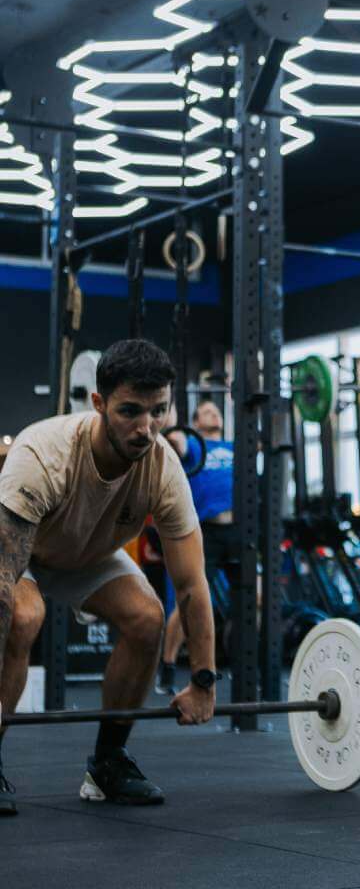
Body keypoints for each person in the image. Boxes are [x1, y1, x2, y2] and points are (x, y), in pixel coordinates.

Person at [0, 339, 217, 815]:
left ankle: (108, 763)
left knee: (147, 618)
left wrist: (203, 680)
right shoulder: (44, 453)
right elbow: (3, 577)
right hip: (21, 551)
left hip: (87, 552)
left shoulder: (163, 467)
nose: (146, 428)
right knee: (22, 616)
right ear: (98, 403)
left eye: (158, 411)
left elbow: (191, 584)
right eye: (130, 411)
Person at [158, 400, 234, 694]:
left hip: (238, 532)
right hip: (206, 531)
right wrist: (168, 404)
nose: (214, 413)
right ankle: (167, 666)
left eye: (216, 410)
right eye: (206, 411)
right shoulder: (193, 444)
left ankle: (240, 660)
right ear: (196, 421)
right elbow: (174, 438)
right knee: (189, 600)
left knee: (256, 595)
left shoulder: (233, 447)